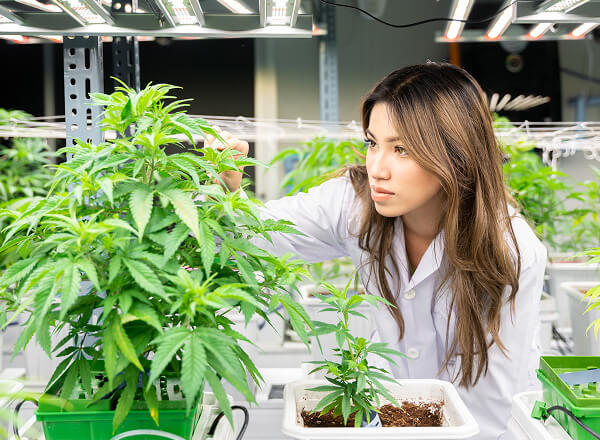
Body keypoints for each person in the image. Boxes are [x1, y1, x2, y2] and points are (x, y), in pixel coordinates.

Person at [206, 62, 546, 440]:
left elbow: (492, 410)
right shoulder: (353, 203)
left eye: (401, 149)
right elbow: (255, 237)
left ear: (456, 154)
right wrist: (225, 191)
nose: (377, 169)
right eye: (372, 143)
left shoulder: (509, 250)